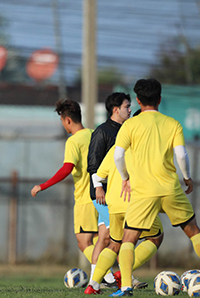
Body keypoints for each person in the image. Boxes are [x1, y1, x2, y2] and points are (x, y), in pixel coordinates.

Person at [110, 78, 200, 297]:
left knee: (129, 239)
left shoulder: (130, 125)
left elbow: (118, 155)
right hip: (170, 188)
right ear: (160, 99)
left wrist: (125, 177)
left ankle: (125, 287)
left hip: (143, 192)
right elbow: (181, 154)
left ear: (137, 100)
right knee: (193, 230)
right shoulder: (172, 123)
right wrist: (187, 177)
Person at [85, 111, 165, 295]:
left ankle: (93, 284)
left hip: (114, 206)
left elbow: (98, 175)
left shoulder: (115, 149)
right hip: (135, 204)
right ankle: (122, 274)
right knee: (156, 236)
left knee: (114, 244)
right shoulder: (145, 151)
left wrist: (99, 189)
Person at [31, 100, 98, 268]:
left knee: (84, 243)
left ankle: (109, 276)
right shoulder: (94, 134)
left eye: (62, 122)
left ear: (67, 120)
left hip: (85, 199)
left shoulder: (73, 141)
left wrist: (42, 186)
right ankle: (119, 277)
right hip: (102, 196)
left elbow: (67, 168)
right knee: (99, 242)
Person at [86, 93, 131, 289]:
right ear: (116, 109)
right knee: (112, 236)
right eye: (126, 106)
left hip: (117, 194)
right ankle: (105, 278)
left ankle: (98, 280)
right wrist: (98, 188)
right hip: (103, 193)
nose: (129, 110)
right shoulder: (102, 131)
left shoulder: (126, 131)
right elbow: (93, 164)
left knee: (106, 236)